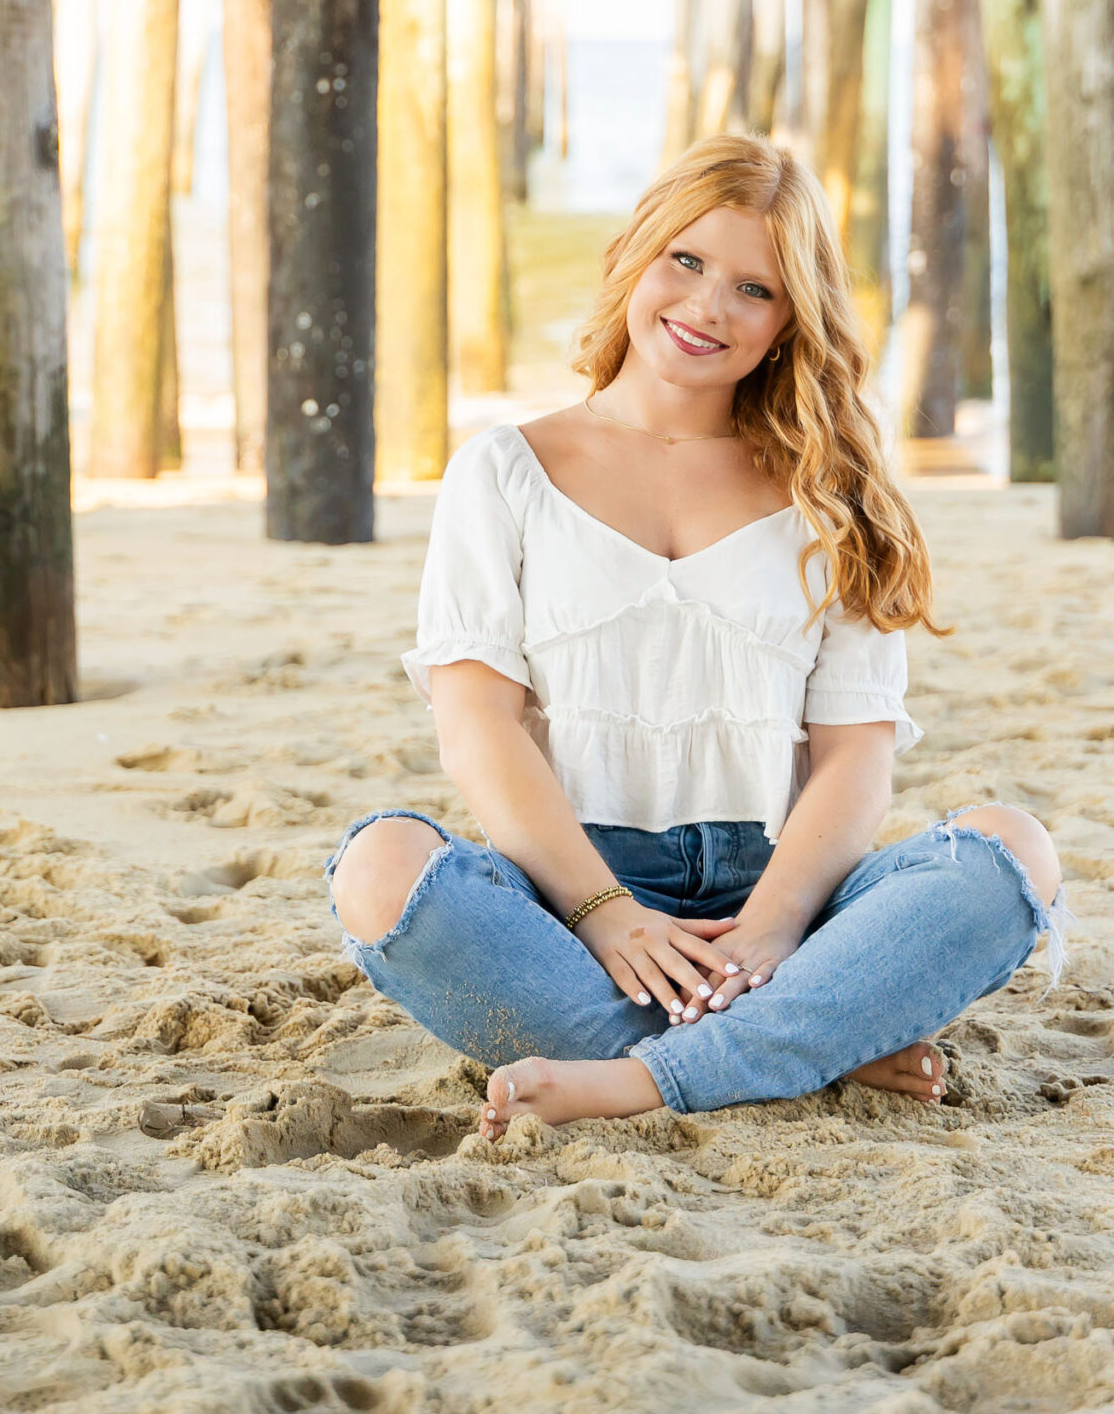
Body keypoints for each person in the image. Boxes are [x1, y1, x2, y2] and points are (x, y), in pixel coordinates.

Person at [325, 133, 1068, 1141]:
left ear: (787, 320)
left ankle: (638, 1076)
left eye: (754, 290)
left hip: (784, 902)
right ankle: (805, 1043)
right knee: (379, 867)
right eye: (687, 261)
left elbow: (855, 755)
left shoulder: (827, 491)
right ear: (637, 251)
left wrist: (769, 929)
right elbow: (477, 727)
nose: (708, 306)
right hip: (567, 902)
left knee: (1009, 853)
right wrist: (606, 915)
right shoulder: (505, 472)